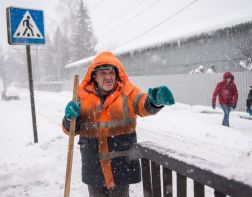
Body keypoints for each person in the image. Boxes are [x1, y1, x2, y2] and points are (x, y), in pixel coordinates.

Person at [62, 51, 175, 197]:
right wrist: (69, 118)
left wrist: (154, 101)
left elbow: (142, 103)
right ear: (94, 76)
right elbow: (69, 130)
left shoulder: (127, 92)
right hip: (93, 166)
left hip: (120, 166)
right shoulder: (81, 96)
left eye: (111, 72)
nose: (109, 77)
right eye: (103, 73)